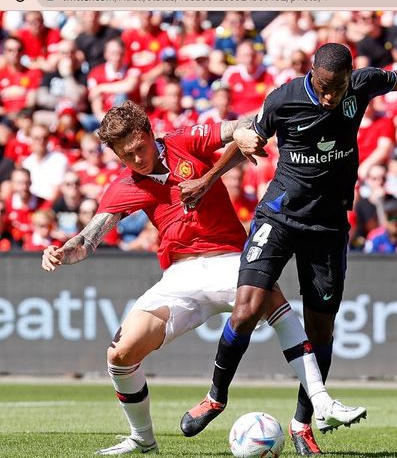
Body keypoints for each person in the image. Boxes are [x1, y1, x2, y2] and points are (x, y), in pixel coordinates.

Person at [179, 26, 397, 455]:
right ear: (313, 74)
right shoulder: (284, 98)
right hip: (280, 215)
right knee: (246, 309)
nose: (330, 98)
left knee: (320, 329)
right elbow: (247, 135)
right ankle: (215, 396)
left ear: (349, 77)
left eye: (337, 89)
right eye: (324, 89)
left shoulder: (360, 86)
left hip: (328, 227)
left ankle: (302, 424)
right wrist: (207, 177)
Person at [40, 101, 364, 456]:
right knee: (120, 355)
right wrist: (62, 251)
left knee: (273, 300)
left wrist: (243, 134)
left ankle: (321, 401)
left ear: (149, 133)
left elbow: (239, 126)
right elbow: (88, 239)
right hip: (179, 276)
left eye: (139, 149)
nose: (135, 160)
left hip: (228, 260)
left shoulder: (185, 140)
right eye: (125, 155)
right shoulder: (124, 186)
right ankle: (142, 439)